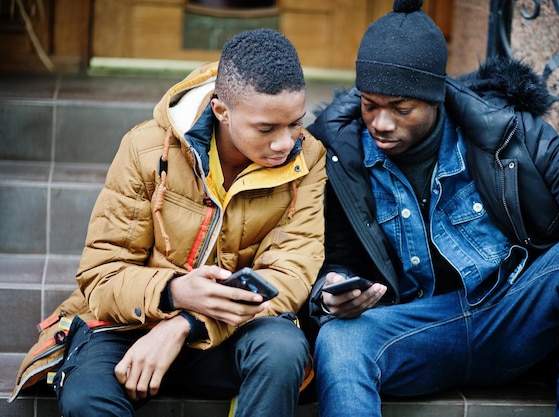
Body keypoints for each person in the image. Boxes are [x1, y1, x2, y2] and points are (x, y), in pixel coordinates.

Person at [306, 1, 559, 416]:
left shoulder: (506, 133)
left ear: (435, 99)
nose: (381, 123)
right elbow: (332, 258)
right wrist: (334, 293)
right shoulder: (341, 154)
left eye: (401, 109)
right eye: (370, 104)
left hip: (512, 315)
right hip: (418, 328)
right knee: (338, 340)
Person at [10, 28, 326, 417]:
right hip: (129, 327)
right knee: (86, 398)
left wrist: (185, 324)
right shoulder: (145, 149)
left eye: (295, 122)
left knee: (282, 349)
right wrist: (174, 293)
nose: (285, 142)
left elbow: (289, 274)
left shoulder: (307, 158)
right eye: (266, 128)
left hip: (227, 332)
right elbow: (102, 275)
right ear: (221, 111)